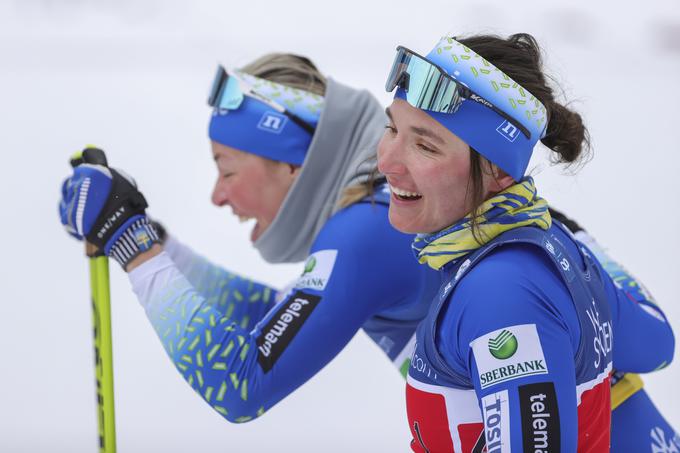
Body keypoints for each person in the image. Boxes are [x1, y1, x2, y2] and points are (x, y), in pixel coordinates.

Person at [59, 51, 676, 450]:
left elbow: (240, 380)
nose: (218, 195)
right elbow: (653, 338)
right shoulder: (481, 230)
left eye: (226, 168)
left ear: (290, 162)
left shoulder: (369, 232)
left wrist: (133, 245)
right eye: (390, 129)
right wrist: (150, 245)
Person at [376, 33, 676, 451]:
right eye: (392, 127)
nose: (386, 161)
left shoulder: (501, 294)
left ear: (500, 172)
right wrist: (582, 241)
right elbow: (655, 345)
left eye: (425, 145)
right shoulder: (549, 244)